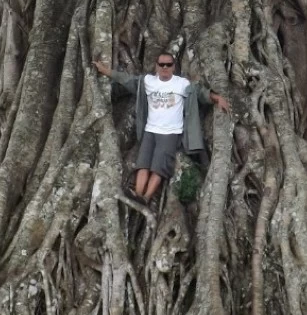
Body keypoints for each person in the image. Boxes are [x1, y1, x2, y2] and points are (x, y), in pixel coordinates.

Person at [93, 51, 231, 202]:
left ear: (173, 67)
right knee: (143, 164)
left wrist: (217, 98)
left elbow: (200, 93)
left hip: (170, 133)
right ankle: (137, 195)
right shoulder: (148, 81)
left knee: (159, 167)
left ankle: (146, 197)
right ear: (156, 66)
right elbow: (127, 80)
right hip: (150, 131)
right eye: (162, 64)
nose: (165, 67)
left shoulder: (181, 84)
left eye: (168, 64)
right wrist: (105, 70)